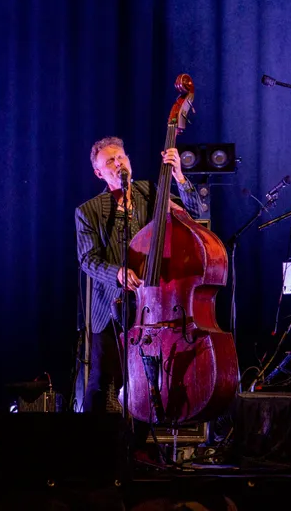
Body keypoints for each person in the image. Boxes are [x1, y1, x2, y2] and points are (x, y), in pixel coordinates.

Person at [75, 136, 201, 415]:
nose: (118, 164)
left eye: (121, 157)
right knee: (101, 382)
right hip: (109, 308)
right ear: (99, 173)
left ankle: (140, 447)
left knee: (149, 382)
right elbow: (87, 259)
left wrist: (179, 175)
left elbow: (195, 212)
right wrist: (118, 273)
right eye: (110, 161)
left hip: (153, 304)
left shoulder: (151, 193)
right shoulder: (89, 211)